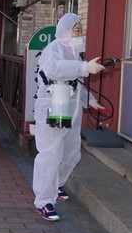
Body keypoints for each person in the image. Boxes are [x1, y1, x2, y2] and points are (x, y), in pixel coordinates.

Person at [32, 13, 105, 221]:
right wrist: (83, 67)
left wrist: (89, 100)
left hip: (71, 110)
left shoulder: (74, 52)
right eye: (77, 30)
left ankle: (56, 185)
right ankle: (44, 201)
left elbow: (77, 83)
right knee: (50, 156)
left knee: (72, 154)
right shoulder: (52, 50)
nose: (80, 33)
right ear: (65, 30)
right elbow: (56, 70)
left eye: (81, 30)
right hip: (51, 107)